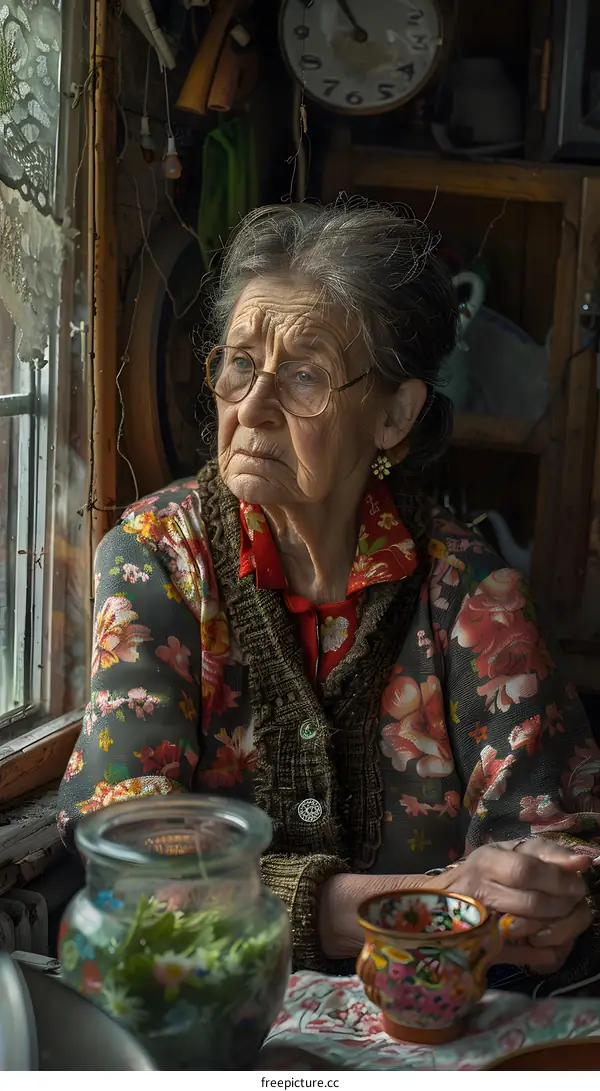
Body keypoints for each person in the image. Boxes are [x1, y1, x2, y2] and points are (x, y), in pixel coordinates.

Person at [58, 201, 600, 988]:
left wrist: (554, 895)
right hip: (206, 1015)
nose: (250, 406)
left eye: (303, 375)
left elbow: (570, 834)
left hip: (425, 1030)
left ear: (394, 415)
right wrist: (417, 899)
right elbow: (123, 846)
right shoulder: (158, 559)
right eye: (239, 363)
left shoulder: (469, 590)